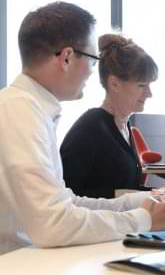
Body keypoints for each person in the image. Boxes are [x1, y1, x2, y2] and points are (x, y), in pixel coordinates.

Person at [0, 2, 165, 255]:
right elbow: (54, 224)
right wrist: (142, 219)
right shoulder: (19, 111)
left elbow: (68, 203)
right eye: (93, 59)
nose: (94, 71)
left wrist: (141, 202)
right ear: (67, 57)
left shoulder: (31, 109)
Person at [61, 34, 158, 198]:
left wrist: (161, 196)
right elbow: (67, 195)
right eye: (142, 85)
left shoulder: (124, 126)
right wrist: (129, 196)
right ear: (114, 84)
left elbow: (126, 188)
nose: (149, 94)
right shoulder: (90, 127)